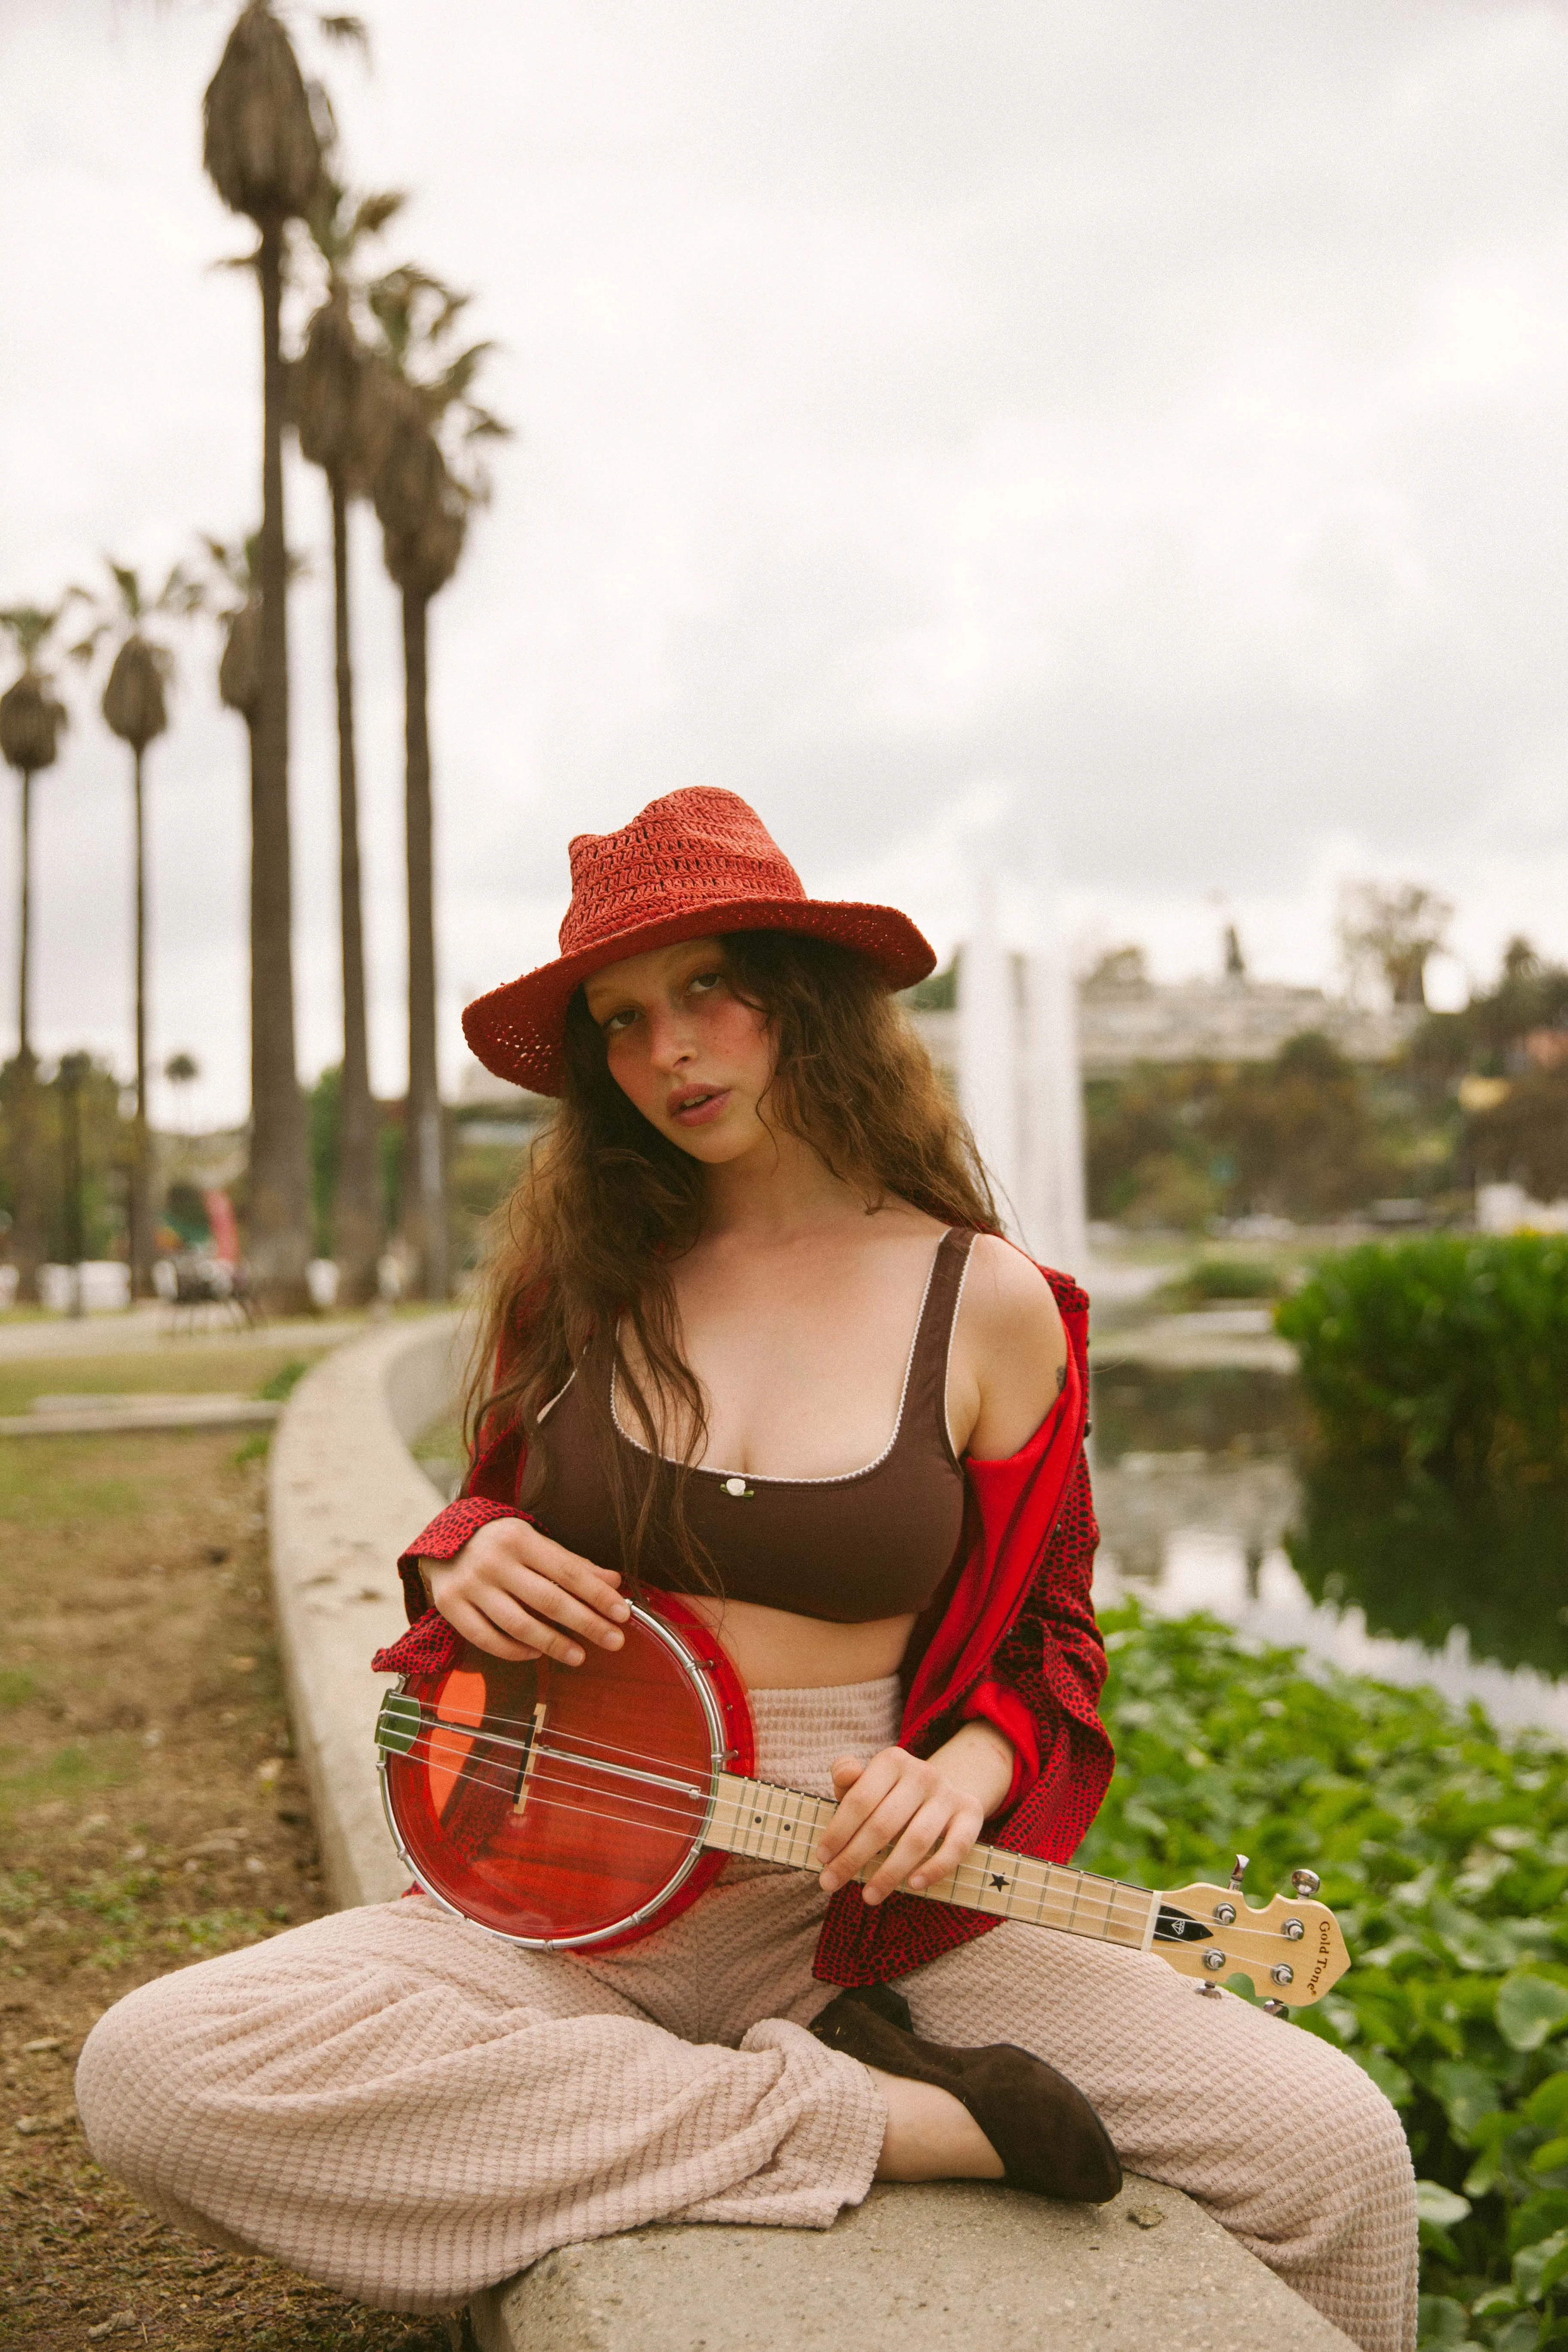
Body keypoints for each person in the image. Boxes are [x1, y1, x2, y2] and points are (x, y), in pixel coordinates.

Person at [76, 788, 1416, 2350]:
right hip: (575, 1907)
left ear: (805, 995)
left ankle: (811, 2070)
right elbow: (476, 1528)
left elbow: (1053, 1637)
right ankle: (878, 2121)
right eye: (623, 1019)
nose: (669, 1051)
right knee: (157, 2066)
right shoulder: (574, 1294)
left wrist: (964, 1773)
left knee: (1337, 2155)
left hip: (871, 1911)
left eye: (708, 988)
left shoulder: (984, 1301)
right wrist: (464, 1555)